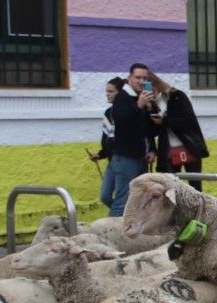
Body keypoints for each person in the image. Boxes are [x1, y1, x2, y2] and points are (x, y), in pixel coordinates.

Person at [144, 69, 210, 190]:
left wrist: (164, 121)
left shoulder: (176, 96)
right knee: (171, 189)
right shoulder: (150, 106)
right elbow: (151, 132)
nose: (148, 91)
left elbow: (189, 121)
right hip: (168, 152)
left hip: (188, 146)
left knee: (195, 188)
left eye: (149, 86)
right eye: (144, 88)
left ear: (156, 84)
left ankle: (196, 209)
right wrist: (148, 109)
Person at [105, 63, 157, 215]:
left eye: (145, 78)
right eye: (137, 78)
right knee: (122, 202)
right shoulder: (123, 97)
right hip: (125, 157)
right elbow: (121, 120)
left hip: (140, 157)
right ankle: (112, 235)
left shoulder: (141, 98)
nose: (141, 81)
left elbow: (147, 131)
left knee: (139, 200)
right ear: (129, 79)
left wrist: (150, 109)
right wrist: (138, 106)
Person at [90, 77, 126, 210]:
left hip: (124, 159)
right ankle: (122, 215)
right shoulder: (108, 112)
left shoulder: (126, 111)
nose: (108, 94)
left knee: (122, 197)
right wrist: (100, 154)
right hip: (112, 160)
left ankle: (121, 217)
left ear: (120, 93)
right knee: (104, 196)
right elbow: (107, 139)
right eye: (107, 91)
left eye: (111, 91)